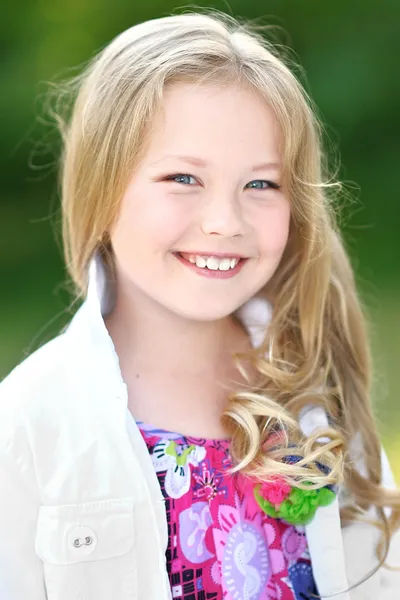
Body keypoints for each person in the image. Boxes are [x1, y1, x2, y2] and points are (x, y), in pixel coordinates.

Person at [0, 9, 399, 600]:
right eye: (183, 178)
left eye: (261, 184)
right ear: (101, 188)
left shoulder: (311, 381)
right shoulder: (31, 422)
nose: (224, 222)